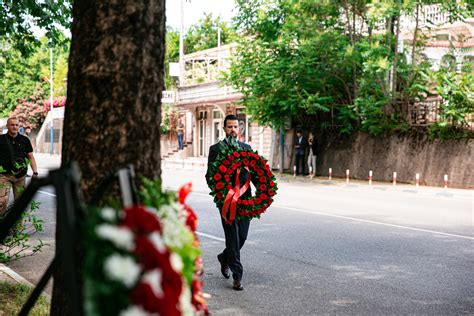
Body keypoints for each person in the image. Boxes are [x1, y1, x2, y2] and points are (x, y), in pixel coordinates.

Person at [205, 114, 255, 291]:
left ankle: (224, 257)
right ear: (224, 129)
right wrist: (220, 194)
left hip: (245, 201)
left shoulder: (247, 148)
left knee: (242, 237)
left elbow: (255, 173)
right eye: (229, 127)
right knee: (232, 237)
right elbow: (209, 176)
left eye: (235, 127)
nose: (232, 130)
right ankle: (237, 276)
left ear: (239, 129)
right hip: (226, 202)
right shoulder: (215, 149)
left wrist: (262, 193)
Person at [0, 117, 38, 216]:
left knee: (19, 204)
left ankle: (16, 230)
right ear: (7, 126)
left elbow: (31, 157)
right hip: (4, 176)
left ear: (19, 126)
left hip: (20, 176)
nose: (14, 127)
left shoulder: (25, 140)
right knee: (1, 201)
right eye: (12, 125)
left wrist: (35, 172)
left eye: (16, 125)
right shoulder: (1, 139)